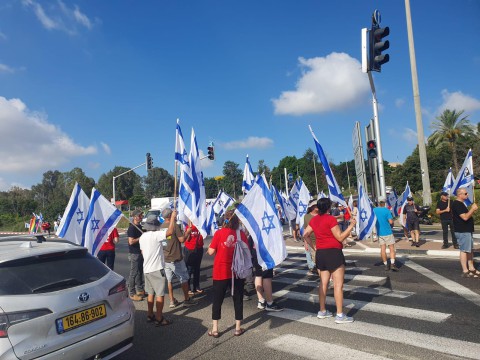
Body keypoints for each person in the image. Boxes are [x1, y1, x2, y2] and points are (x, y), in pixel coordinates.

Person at [303, 198, 357, 324]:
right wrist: (351, 226)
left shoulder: (314, 219)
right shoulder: (331, 219)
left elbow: (305, 234)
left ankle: (322, 311)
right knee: (338, 285)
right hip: (333, 252)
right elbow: (340, 237)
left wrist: (313, 247)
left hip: (320, 253)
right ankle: (339, 315)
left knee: (323, 284)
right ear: (328, 208)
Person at [207, 210, 249, 337]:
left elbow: (210, 252)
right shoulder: (241, 234)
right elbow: (247, 252)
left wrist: (212, 245)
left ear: (224, 220)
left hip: (220, 271)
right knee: (238, 299)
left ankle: (215, 329)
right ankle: (237, 328)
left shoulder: (219, 233)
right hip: (237, 271)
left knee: (217, 300)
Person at [161, 208, 197, 308]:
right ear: (170, 216)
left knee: (169, 280)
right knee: (184, 278)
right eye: (173, 213)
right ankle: (187, 299)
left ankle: (172, 300)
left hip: (166, 257)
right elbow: (182, 239)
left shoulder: (161, 226)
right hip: (175, 257)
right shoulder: (174, 226)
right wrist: (188, 232)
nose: (175, 214)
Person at [139, 214, 171, 326]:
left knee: (150, 293)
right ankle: (159, 317)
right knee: (160, 294)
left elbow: (143, 252)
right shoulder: (156, 235)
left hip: (146, 268)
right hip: (157, 268)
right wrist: (172, 218)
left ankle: (150, 314)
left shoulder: (142, 237)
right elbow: (170, 232)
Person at [249, 234, 283, 312]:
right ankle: (270, 303)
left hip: (255, 250)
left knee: (258, 275)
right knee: (267, 276)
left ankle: (261, 301)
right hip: (265, 251)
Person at [451, 189, 479, 278]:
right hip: (462, 231)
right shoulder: (457, 204)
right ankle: (465, 270)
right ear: (459, 195)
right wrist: (472, 209)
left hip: (466, 230)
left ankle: (471, 268)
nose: (467, 195)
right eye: (466, 193)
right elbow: (465, 217)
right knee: (464, 250)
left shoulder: (461, 204)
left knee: (469, 249)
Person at [373, 197, 399, 271]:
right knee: (391, 248)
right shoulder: (387, 211)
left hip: (380, 233)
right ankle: (392, 264)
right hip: (387, 232)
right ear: (385, 203)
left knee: (382, 249)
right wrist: (392, 224)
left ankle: (385, 264)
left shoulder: (374, 210)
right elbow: (391, 222)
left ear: (378, 202)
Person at [127, 209, 145, 301]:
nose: (141, 217)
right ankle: (131, 293)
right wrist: (141, 237)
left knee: (139, 272)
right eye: (139, 216)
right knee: (133, 273)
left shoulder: (139, 226)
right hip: (134, 253)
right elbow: (131, 241)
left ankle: (140, 289)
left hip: (140, 252)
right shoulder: (132, 228)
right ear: (134, 217)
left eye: (141, 215)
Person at [184, 221, 205, 295]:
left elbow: (205, 235)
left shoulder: (201, 225)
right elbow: (186, 239)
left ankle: (196, 286)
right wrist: (189, 230)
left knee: (197, 268)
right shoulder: (188, 226)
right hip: (189, 249)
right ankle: (188, 287)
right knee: (189, 269)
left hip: (199, 248)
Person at [303, 199, 318, 275]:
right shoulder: (307, 216)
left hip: (322, 241)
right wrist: (306, 243)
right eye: (315, 205)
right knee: (315, 259)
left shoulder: (321, 214)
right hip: (312, 241)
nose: (317, 206)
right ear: (312, 207)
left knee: (322, 260)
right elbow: (305, 229)